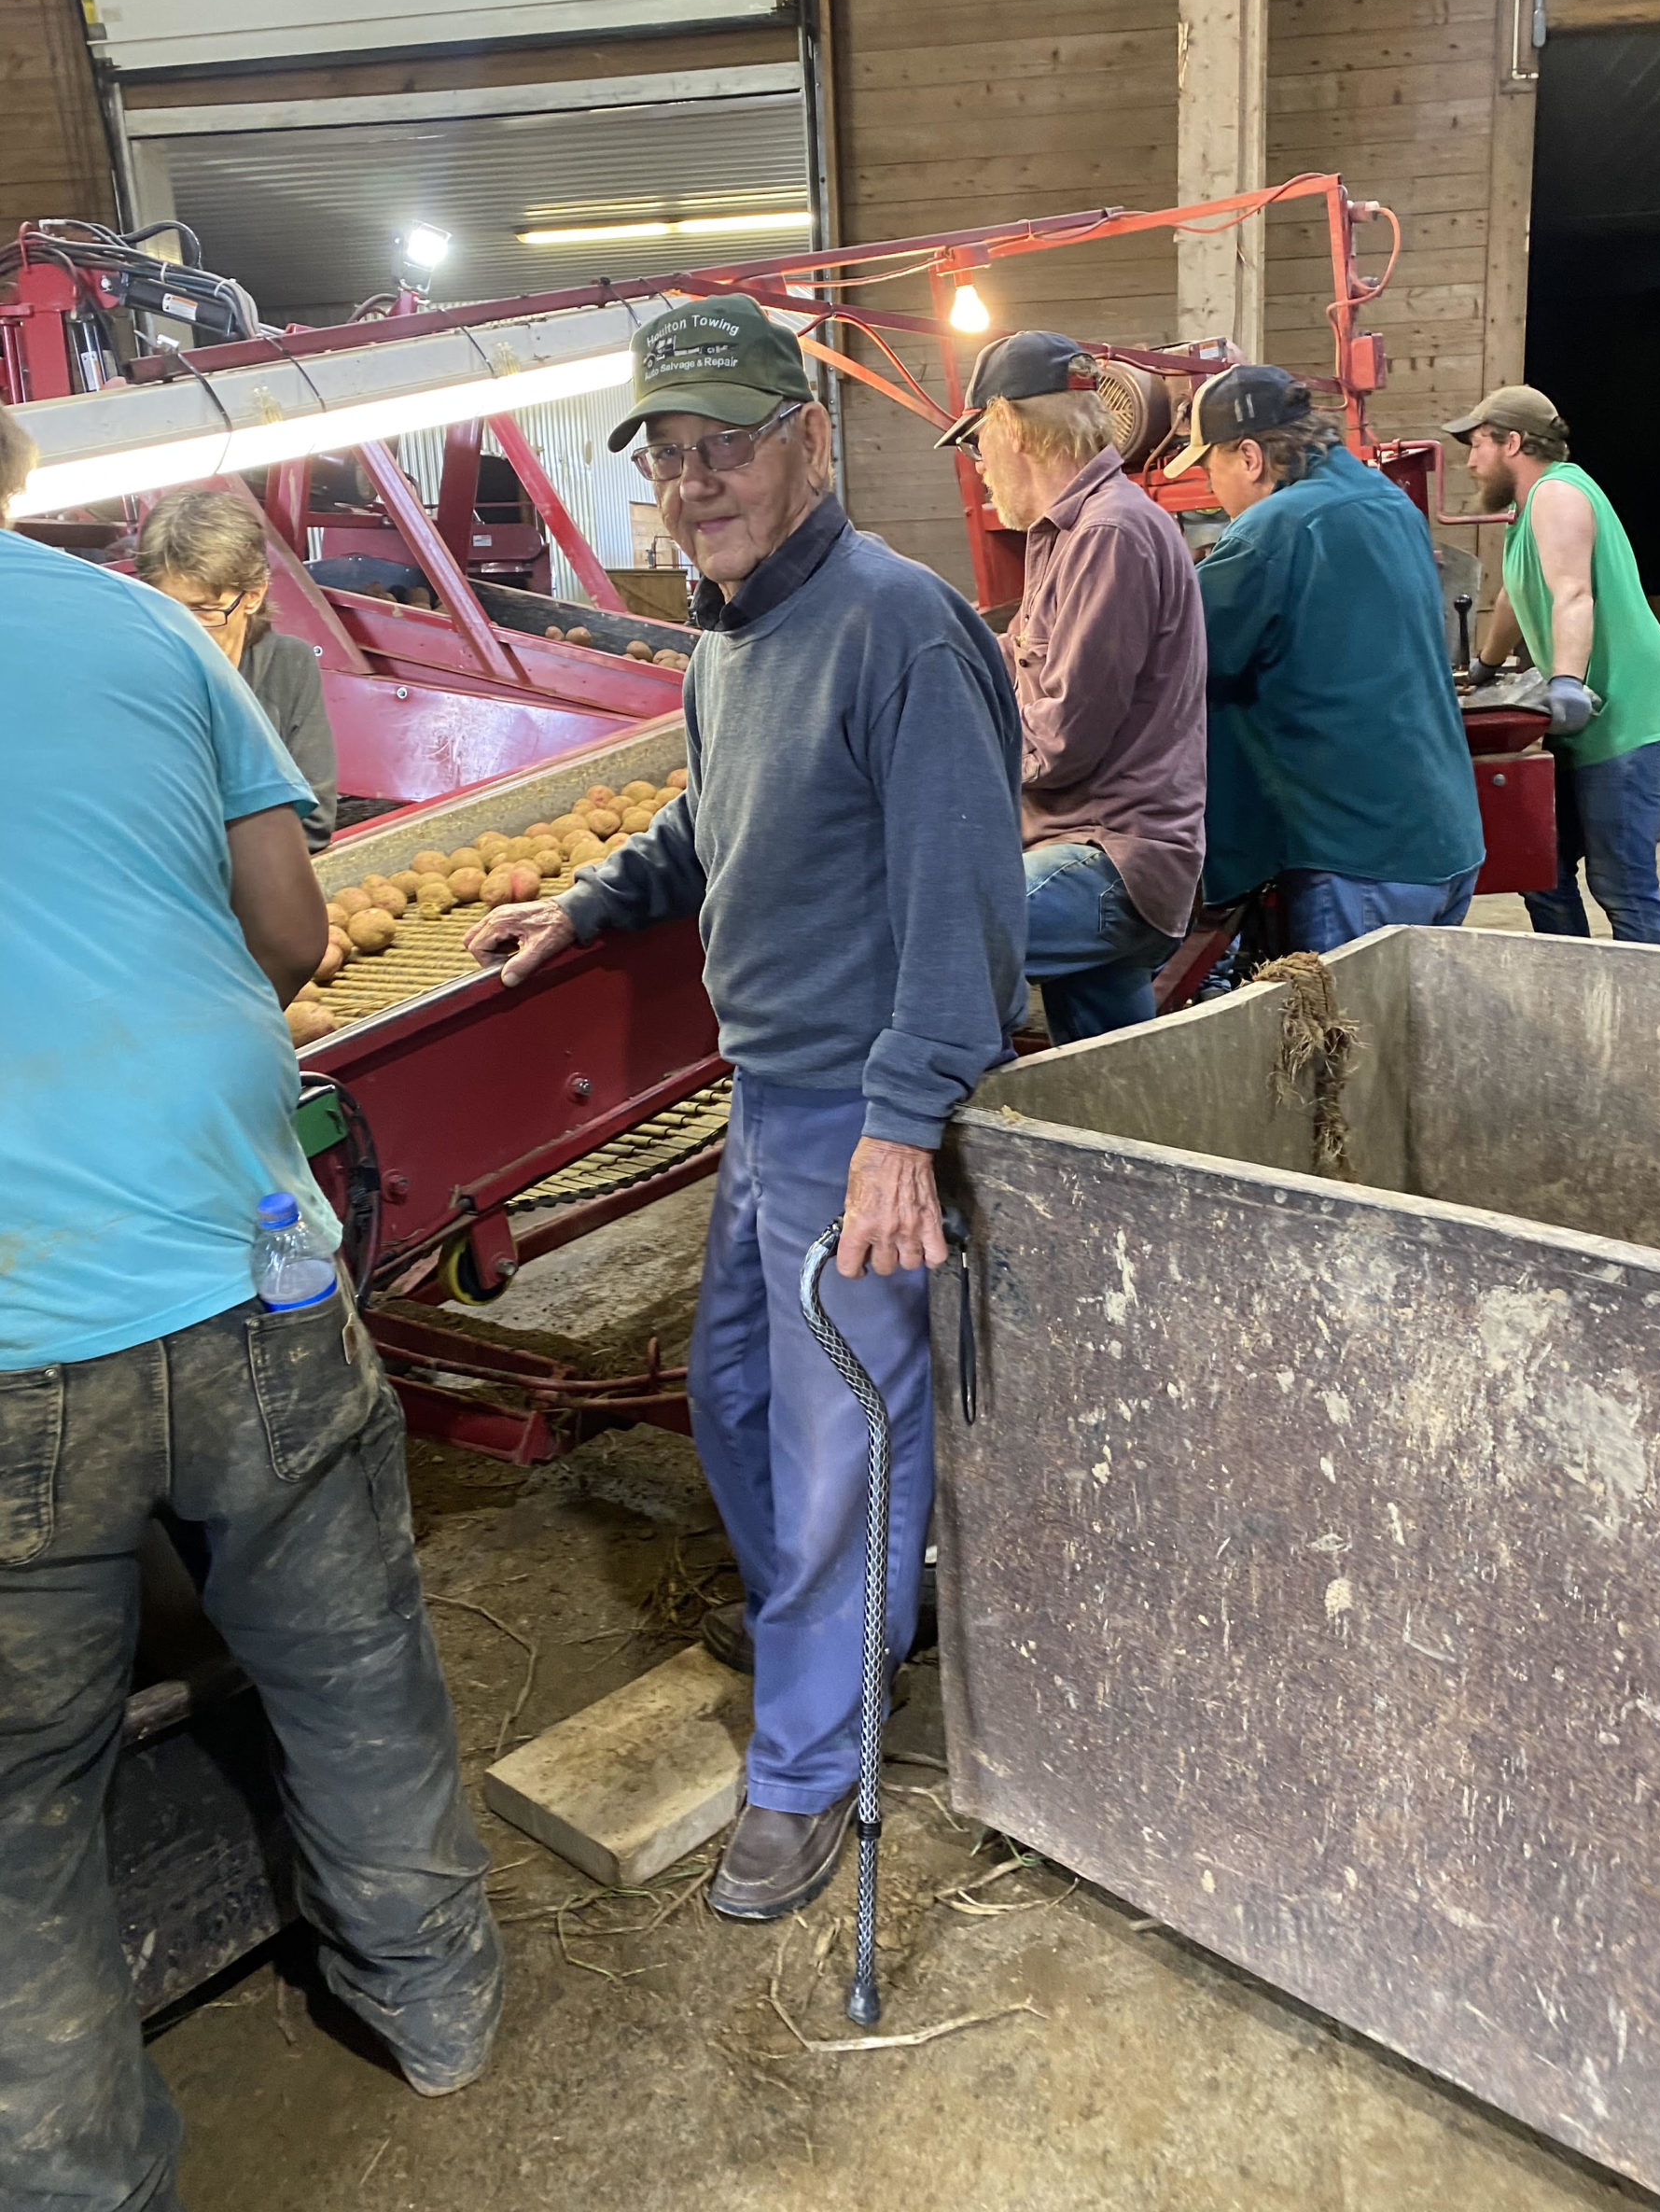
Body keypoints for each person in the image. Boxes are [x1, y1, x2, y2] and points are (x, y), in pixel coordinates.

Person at [463, 295, 1025, 1924]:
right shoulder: (734, 633)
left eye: (727, 447)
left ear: (808, 441)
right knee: (735, 1397)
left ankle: (812, 1759)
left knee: (846, 1437)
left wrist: (902, 1126)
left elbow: (965, 917)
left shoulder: (899, 628)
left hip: (858, 1109)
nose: (697, 482)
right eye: (671, 456)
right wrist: (589, 897)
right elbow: (720, 817)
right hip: (768, 1094)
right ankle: (834, 1625)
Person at [0, 405, 498, 2212]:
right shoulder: (139, 625)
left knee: (19, 1807)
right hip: (249, 1249)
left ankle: (75, 2170)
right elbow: (288, 932)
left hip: (17, 1333)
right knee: (357, 1663)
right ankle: (436, 2006)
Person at [937, 330, 1207, 1041]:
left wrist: (947, 763)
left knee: (926, 936)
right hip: (1084, 842)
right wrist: (926, 654)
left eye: (977, 445)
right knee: (1111, 1086)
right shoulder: (1064, 532)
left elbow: (1061, 743)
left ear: (1010, 428)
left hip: (1112, 858)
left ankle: (947, 1135)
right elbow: (1021, 657)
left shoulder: (1108, 534)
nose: (979, 467)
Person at [1182, 365, 1484, 951]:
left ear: (1248, 457)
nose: (1208, 487)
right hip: (1444, 841)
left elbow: (1175, 666)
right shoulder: (1389, 504)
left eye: (1206, 466)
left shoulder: (1271, 531)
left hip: (1359, 863)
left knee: (1339, 1039)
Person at [1452, 385, 1660, 944]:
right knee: (1542, 873)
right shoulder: (1527, 509)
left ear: (1512, 443)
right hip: (1586, 723)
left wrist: (1564, 681)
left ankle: (1639, 1016)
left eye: (1478, 445)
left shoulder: (1558, 493)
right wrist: (1486, 668)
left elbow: (1573, 593)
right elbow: (1517, 594)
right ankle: (1571, 990)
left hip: (1627, 720)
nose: (1470, 462)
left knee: (1621, 884)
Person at [137, 485, 338, 847]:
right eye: (167, 608)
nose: (183, 628)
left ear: (253, 595)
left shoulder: (288, 665)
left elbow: (314, 819)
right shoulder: (134, 674)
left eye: (203, 610)